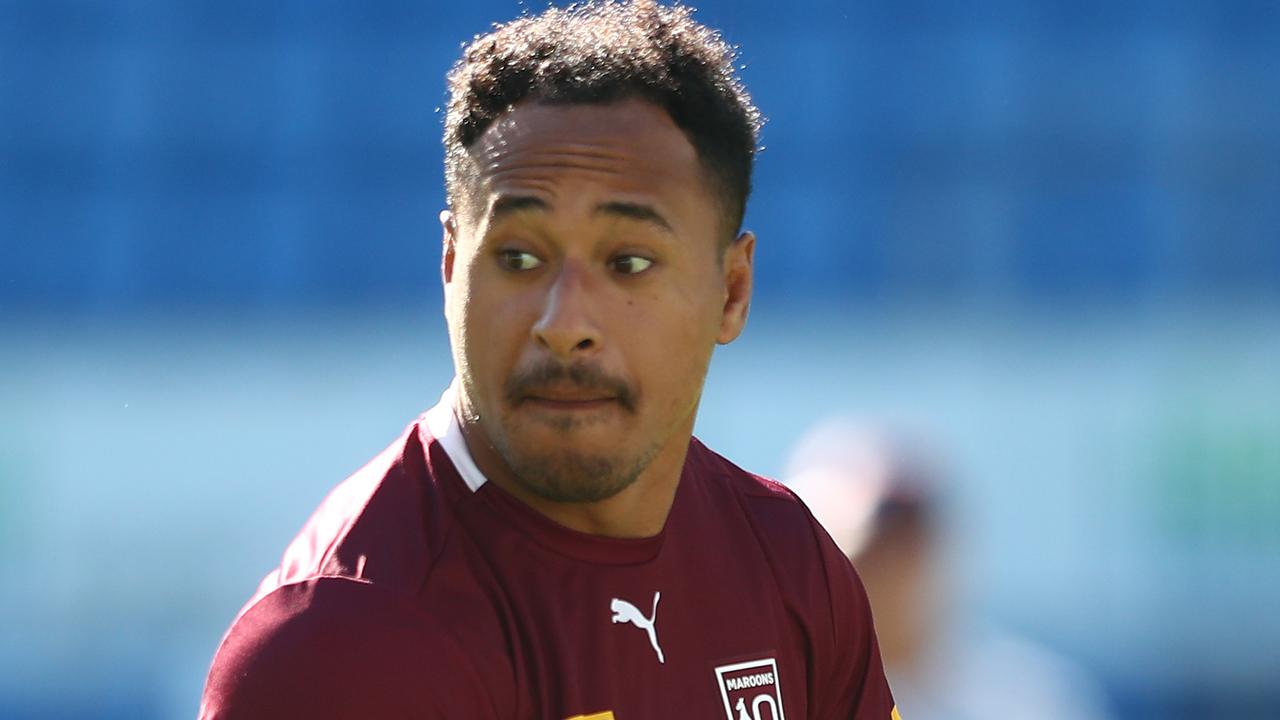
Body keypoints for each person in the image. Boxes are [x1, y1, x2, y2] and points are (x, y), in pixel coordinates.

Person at [199, 2, 898, 718]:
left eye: (628, 262)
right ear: (449, 268)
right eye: (519, 258)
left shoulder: (789, 566)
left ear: (732, 291)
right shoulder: (347, 641)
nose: (563, 325)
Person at [785, 419, 1114, 720]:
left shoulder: (1032, 699)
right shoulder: (769, 694)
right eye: (868, 549)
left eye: (908, 537)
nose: (890, 568)